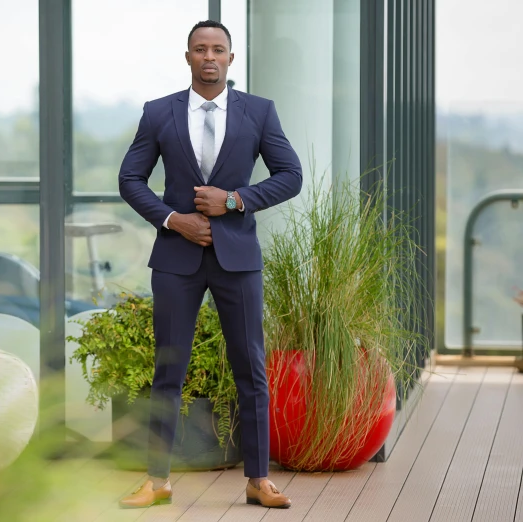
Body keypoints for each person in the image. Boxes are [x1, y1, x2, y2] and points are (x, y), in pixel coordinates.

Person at [117, 20, 302, 510]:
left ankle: (258, 480)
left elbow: (291, 175)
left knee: (251, 368)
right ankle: (157, 480)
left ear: (230, 59)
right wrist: (174, 219)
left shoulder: (259, 112)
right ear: (188, 57)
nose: (209, 57)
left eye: (218, 49)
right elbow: (130, 179)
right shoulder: (159, 113)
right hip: (176, 259)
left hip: (236, 258)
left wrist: (236, 201)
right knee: (167, 371)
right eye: (200, 49)